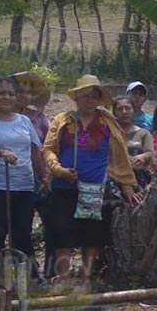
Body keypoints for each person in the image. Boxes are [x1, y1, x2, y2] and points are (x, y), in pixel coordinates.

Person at [43, 75, 139, 291]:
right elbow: (48, 149)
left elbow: (120, 155)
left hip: (94, 189)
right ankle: (65, 277)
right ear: (77, 97)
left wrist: (127, 185)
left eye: (94, 96)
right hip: (63, 187)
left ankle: (86, 278)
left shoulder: (107, 124)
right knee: (62, 233)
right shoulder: (62, 120)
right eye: (85, 95)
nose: (90, 100)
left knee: (91, 234)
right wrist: (58, 170)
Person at [0, 76, 47, 279]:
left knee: (22, 232)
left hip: (23, 185)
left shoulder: (24, 121)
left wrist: (44, 177)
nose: (7, 97)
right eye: (2, 93)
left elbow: (34, 152)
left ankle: (30, 277)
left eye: (11, 93)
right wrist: (0, 153)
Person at [13, 71, 55, 278]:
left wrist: (47, 176)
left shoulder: (38, 118)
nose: (23, 95)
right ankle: (29, 274)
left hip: (41, 178)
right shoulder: (4, 118)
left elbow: (48, 147)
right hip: (17, 180)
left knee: (52, 224)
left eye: (26, 92)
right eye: (18, 91)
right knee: (21, 228)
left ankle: (52, 272)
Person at [114, 95, 154, 186]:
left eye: (128, 108)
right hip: (114, 180)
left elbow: (150, 152)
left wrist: (143, 156)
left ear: (134, 111)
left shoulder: (144, 133)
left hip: (139, 179)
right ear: (114, 113)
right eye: (120, 109)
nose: (124, 112)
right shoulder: (110, 133)